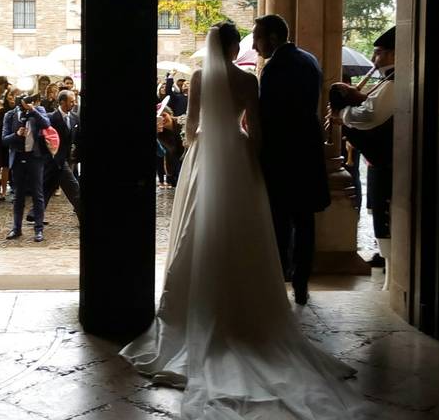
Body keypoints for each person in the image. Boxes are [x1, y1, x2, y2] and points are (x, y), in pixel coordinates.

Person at [120, 21, 366, 419]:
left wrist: (194, 149)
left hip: (205, 156)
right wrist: (252, 159)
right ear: (234, 48)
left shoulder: (199, 77)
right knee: (246, 229)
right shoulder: (250, 79)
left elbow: (191, 124)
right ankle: (254, 302)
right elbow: (256, 131)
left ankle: (196, 300)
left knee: (198, 227)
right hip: (237, 155)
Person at [252, 14, 330, 305]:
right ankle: (301, 283)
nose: (256, 45)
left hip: (283, 156)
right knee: (305, 220)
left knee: (280, 220)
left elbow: (269, 117)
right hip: (307, 153)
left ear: (272, 37)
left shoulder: (274, 69)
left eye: (258, 38)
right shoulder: (310, 60)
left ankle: (281, 278)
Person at [333, 27, 395, 288]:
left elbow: (370, 116)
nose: (375, 58)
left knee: (386, 215)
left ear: (393, 54)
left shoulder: (394, 82)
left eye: (379, 53)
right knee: (380, 213)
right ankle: (390, 272)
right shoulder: (387, 80)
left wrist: (344, 111)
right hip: (383, 163)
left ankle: (393, 275)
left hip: (390, 163)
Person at [3, 94, 51, 242]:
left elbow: (47, 124)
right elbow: (4, 139)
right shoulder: (10, 115)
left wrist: (33, 110)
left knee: (38, 194)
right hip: (18, 158)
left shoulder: (39, 110)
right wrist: (17, 135)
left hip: (35, 157)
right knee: (18, 195)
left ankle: (39, 230)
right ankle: (16, 228)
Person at [42, 89, 81, 220]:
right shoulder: (51, 118)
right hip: (54, 160)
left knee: (46, 188)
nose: (74, 103)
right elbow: (44, 139)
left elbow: (78, 138)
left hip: (68, 159)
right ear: (62, 102)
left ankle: (35, 214)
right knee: (74, 188)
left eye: (75, 101)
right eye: (71, 101)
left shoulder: (75, 117)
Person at [0, 88, 18, 198]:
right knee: (5, 165)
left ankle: (14, 187)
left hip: (15, 139)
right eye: (10, 96)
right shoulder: (3, 109)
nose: (12, 98)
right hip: (6, 138)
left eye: (14, 96)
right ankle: (3, 189)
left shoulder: (19, 109)